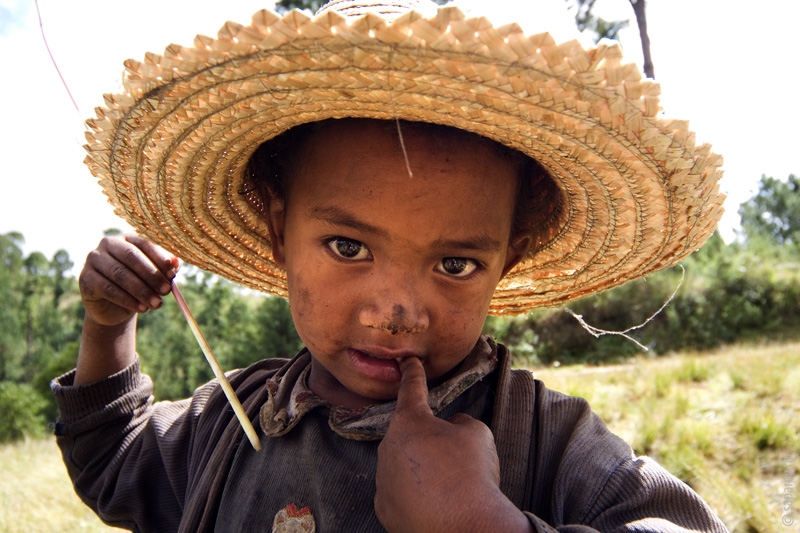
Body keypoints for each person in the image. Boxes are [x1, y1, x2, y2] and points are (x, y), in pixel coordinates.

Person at [53, 0, 728, 531]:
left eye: (457, 262)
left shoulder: (544, 441)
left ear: (507, 260)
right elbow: (114, 462)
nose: (395, 311)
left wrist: (485, 524)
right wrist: (108, 326)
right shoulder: (236, 420)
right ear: (280, 229)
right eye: (349, 248)